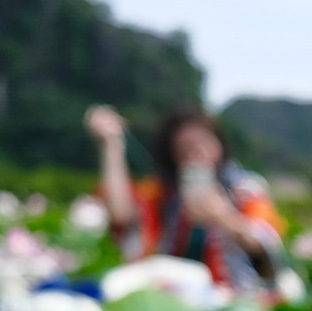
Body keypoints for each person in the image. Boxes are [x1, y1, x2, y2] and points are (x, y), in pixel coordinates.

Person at [85, 106, 285, 297]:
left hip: (233, 295)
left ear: (219, 144)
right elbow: (121, 214)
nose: (197, 153)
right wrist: (111, 144)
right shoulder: (164, 193)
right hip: (173, 292)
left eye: (203, 143)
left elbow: (267, 249)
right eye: (185, 147)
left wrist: (224, 218)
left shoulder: (244, 188)